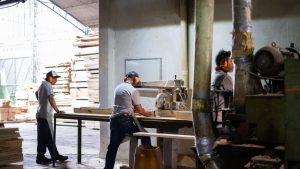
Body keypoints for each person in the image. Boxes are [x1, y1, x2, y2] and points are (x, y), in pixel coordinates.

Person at [104, 71, 153, 169]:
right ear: (134, 79)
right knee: (145, 136)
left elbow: (124, 103)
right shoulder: (133, 90)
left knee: (112, 147)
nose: (137, 84)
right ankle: (148, 165)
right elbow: (141, 110)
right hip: (125, 120)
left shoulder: (118, 88)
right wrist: (152, 113)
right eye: (137, 81)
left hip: (114, 120)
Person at [35, 70, 68, 164]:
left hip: (40, 114)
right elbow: (51, 98)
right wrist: (58, 110)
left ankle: (40, 157)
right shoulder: (48, 85)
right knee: (49, 137)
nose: (56, 81)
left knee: (42, 138)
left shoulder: (42, 84)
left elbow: (36, 93)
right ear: (50, 78)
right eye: (55, 78)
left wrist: (41, 103)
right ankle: (55, 155)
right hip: (45, 116)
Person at [211, 50, 234, 136]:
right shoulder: (225, 77)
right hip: (221, 121)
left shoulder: (214, 73)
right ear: (223, 63)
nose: (232, 64)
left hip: (213, 118)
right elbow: (234, 95)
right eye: (230, 61)